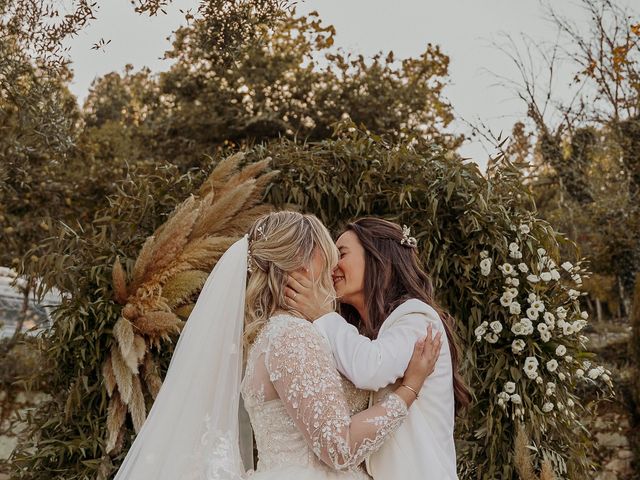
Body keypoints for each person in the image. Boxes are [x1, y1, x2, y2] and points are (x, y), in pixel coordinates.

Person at [113, 211, 441, 480]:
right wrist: (409, 389)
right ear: (305, 264)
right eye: (328, 256)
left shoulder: (277, 334)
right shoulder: (294, 337)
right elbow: (339, 447)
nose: (332, 269)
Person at [285, 217, 471, 480]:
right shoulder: (363, 333)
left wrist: (322, 314)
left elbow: (370, 369)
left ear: (378, 258)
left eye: (342, 254)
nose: (332, 266)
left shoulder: (417, 318)